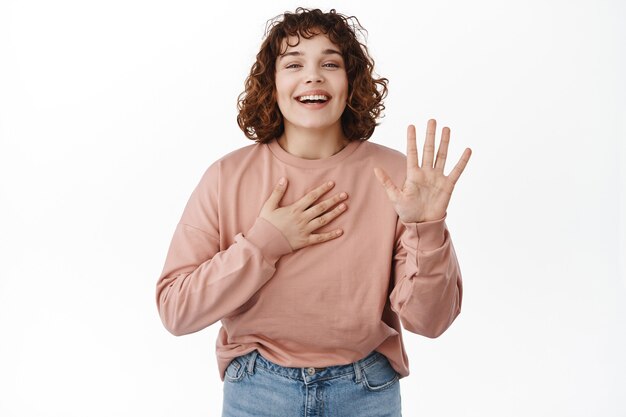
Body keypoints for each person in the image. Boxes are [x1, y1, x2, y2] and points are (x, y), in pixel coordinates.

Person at [156, 7, 471, 417]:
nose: (313, 75)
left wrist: (427, 228)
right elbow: (176, 311)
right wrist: (264, 244)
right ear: (272, 82)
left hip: (366, 391)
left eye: (330, 63)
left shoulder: (396, 178)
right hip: (257, 391)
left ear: (350, 81)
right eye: (294, 63)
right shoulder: (226, 177)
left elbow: (430, 322)